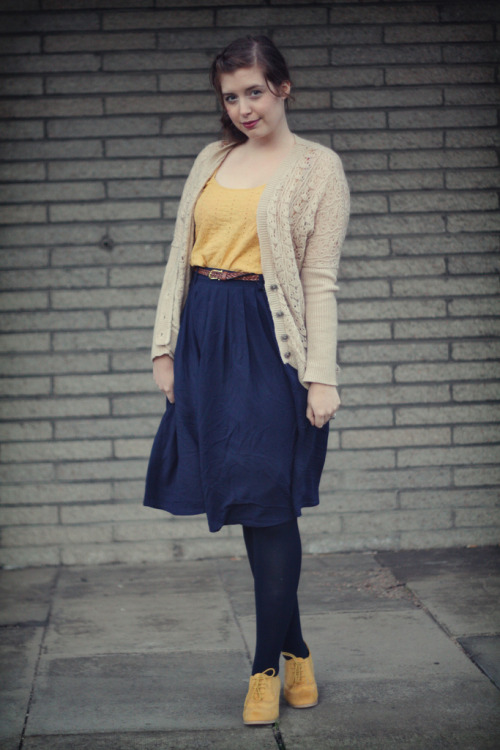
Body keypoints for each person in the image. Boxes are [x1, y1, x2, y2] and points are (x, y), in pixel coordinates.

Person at [144, 35, 350, 726]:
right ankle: (296, 651)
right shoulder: (212, 158)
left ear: (283, 88)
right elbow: (179, 254)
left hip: (270, 339)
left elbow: (319, 281)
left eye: (254, 92)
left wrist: (321, 376)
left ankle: (263, 665)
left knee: (270, 497)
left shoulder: (318, 168)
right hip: (206, 332)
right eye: (231, 96)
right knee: (241, 492)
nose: (243, 108)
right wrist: (165, 348)